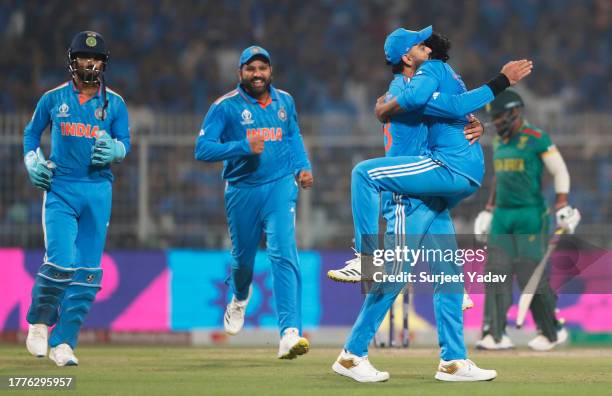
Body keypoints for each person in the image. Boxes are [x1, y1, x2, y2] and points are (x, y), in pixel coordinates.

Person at [328, 26, 531, 383]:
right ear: (408, 57)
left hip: (428, 189)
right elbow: (438, 105)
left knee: (449, 274)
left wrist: (472, 125)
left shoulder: (419, 84)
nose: (427, 47)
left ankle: (453, 360)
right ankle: (352, 352)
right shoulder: (403, 88)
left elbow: (450, 110)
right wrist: (494, 87)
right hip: (406, 194)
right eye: (420, 45)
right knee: (393, 274)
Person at [194, 46, 313, 359]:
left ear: (270, 71)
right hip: (242, 190)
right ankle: (240, 295)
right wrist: (242, 146)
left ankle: (289, 332)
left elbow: (293, 137)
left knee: (283, 251)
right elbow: (202, 149)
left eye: (262, 68)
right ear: (240, 73)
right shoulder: (225, 107)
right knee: (243, 261)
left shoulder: (285, 101)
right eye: (250, 69)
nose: (257, 74)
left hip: (280, 187)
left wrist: (302, 166)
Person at [24, 31, 130, 366]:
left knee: (87, 274)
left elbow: (125, 140)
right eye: (85, 57)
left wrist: (116, 149)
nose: (91, 63)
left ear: (104, 63)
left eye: (97, 59)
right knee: (59, 264)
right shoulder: (53, 99)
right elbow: (30, 133)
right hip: (61, 188)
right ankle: (40, 324)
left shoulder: (114, 103)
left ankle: (64, 343)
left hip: (98, 191)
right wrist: (32, 160)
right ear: (73, 61)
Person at [473, 89, 581, 351]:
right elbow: (499, 176)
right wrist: (489, 209)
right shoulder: (499, 141)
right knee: (495, 271)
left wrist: (562, 204)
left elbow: (560, 171)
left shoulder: (536, 138)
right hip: (502, 215)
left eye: (499, 117)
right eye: (493, 118)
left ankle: (550, 330)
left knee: (528, 273)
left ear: (514, 112)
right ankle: (494, 334)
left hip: (531, 214)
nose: (495, 122)